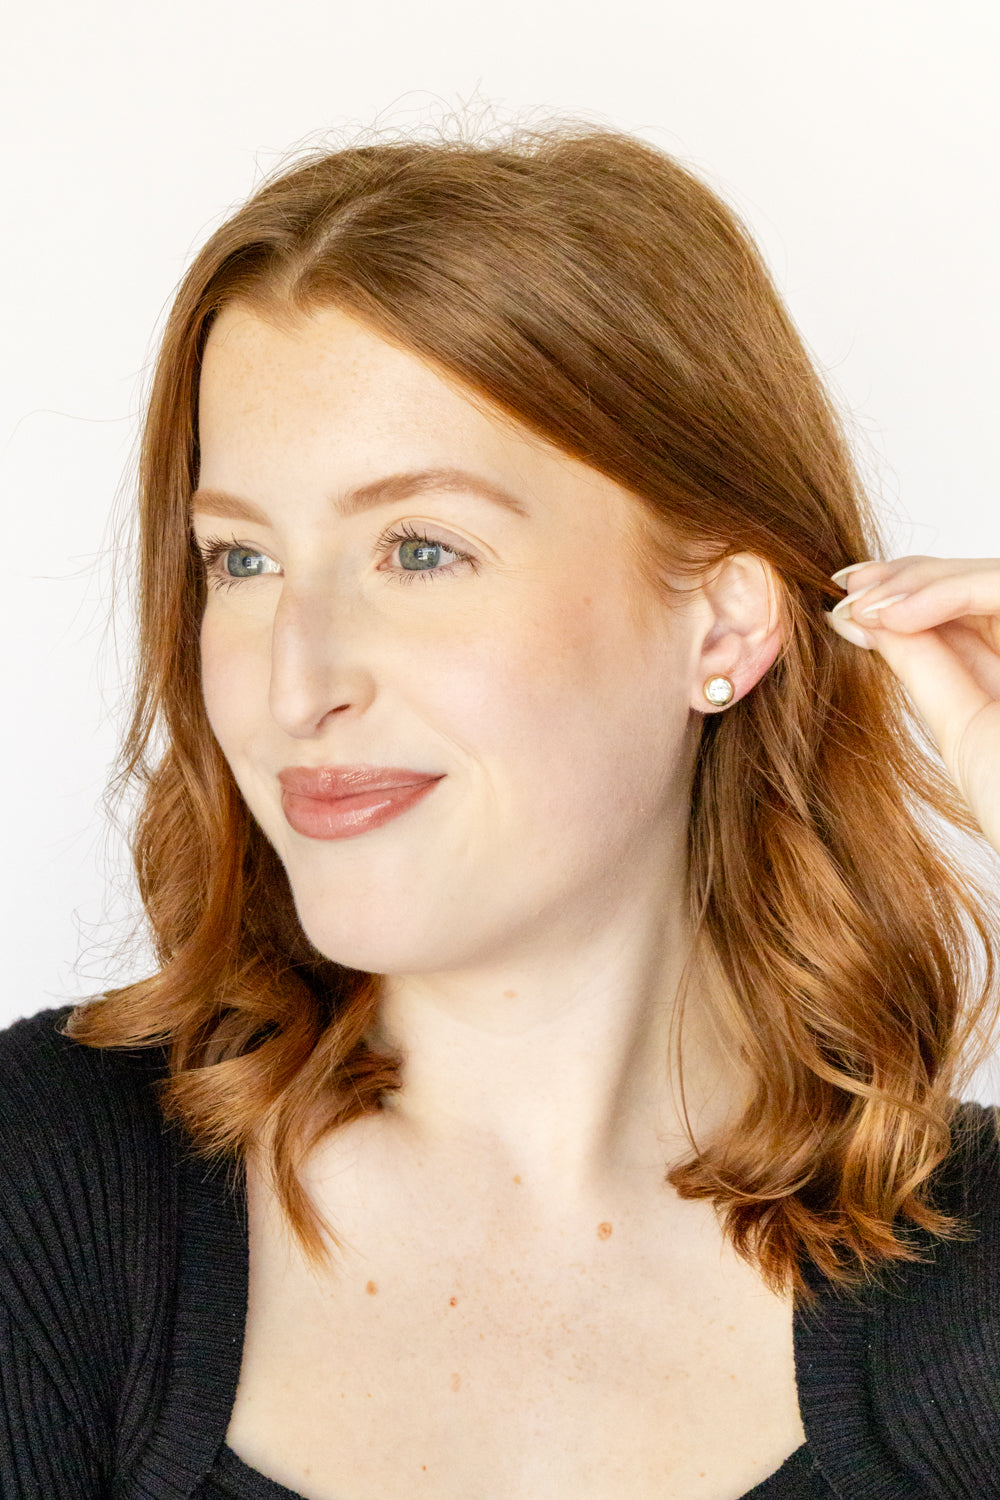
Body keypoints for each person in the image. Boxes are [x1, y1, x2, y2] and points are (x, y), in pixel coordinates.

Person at [1, 118, 999, 1500]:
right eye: (240, 559)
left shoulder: (970, 1289)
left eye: (419, 551)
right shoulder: (48, 1185)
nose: (296, 684)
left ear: (722, 621)